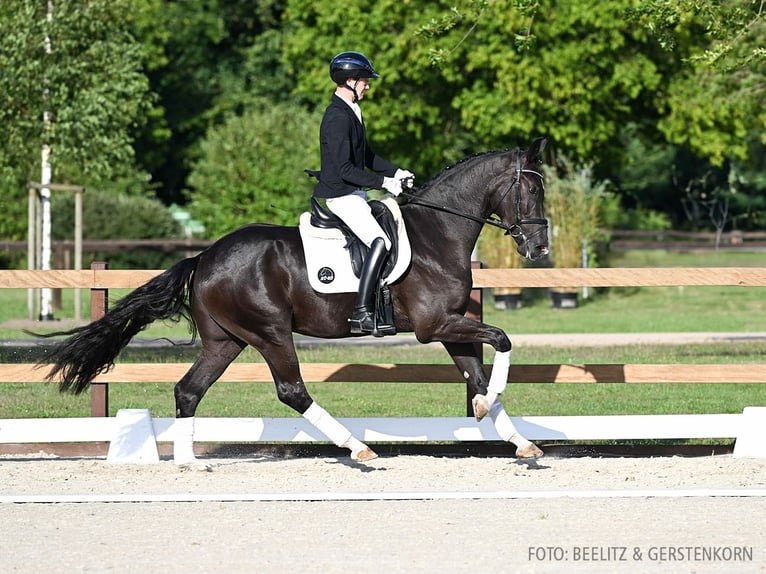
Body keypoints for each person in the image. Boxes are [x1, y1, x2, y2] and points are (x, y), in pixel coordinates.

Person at [313, 51, 414, 335]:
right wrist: (384, 184)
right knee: (380, 241)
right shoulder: (336, 117)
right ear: (349, 81)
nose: (368, 85)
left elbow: (366, 156)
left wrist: (397, 173)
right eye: (365, 81)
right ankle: (361, 312)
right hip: (341, 195)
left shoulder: (352, 112)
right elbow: (345, 169)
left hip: (355, 194)